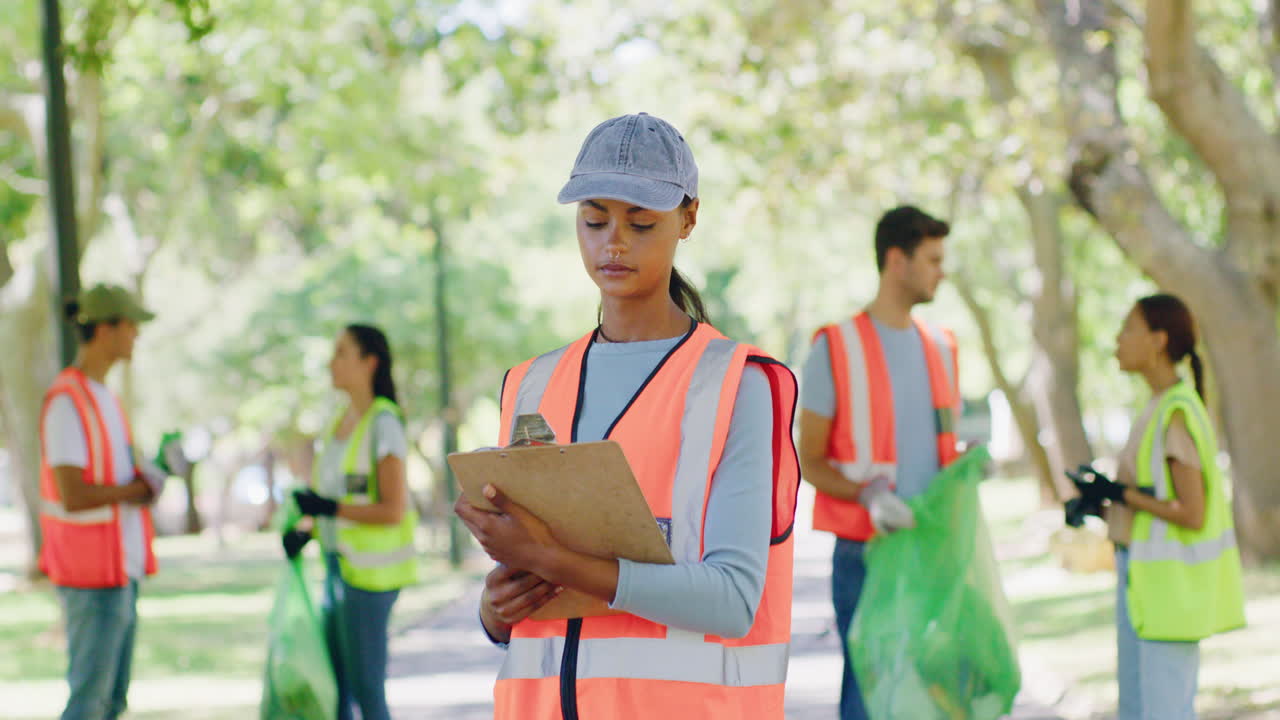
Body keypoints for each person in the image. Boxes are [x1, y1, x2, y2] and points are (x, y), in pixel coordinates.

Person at [453, 112, 801, 720]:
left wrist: (547, 559)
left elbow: (733, 599)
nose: (613, 243)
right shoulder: (531, 384)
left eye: (640, 223)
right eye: (594, 221)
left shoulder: (739, 386)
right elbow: (533, 616)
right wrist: (495, 611)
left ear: (688, 219)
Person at [797, 206, 962, 720]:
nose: (942, 272)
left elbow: (939, 445)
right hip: (866, 554)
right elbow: (809, 459)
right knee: (869, 695)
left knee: (932, 696)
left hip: (933, 547)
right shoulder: (835, 347)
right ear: (897, 260)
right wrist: (867, 494)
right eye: (933, 259)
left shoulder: (943, 346)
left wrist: (968, 467)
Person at [1093, 293, 1245, 720]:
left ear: (1158, 341)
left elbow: (1191, 513)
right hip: (1145, 581)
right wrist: (1104, 502)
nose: (1117, 340)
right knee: (1138, 710)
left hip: (1170, 589)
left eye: (1128, 329)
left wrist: (1124, 495)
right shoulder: (1158, 407)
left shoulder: (1176, 412)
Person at [38, 284, 168, 720]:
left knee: (111, 703)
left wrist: (142, 481)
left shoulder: (105, 398)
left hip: (119, 568)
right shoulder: (67, 401)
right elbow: (73, 495)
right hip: (90, 576)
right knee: (88, 702)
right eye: (131, 325)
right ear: (106, 329)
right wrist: (138, 491)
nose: (136, 335)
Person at [284, 324, 418, 720]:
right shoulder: (338, 423)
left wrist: (329, 508)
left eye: (342, 352)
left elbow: (392, 509)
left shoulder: (384, 423)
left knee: (366, 690)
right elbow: (333, 497)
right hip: (336, 569)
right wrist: (307, 528)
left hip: (370, 579)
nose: (332, 362)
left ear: (369, 362)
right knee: (336, 689)